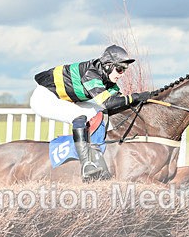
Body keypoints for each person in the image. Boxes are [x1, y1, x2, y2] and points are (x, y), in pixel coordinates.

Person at [30, 45, 153, 180]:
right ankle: (87, 164)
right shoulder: (91, 74)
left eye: (124, 70)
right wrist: (134, 97)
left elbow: (117, 103)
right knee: (79, 116)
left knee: (101, 112)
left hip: (65, 97)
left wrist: (144, 99)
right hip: (44, 97)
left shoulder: (108, 81)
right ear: (108, 66)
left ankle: (96, 153)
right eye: (119, 69)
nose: (121, 74)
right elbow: (108, 102)